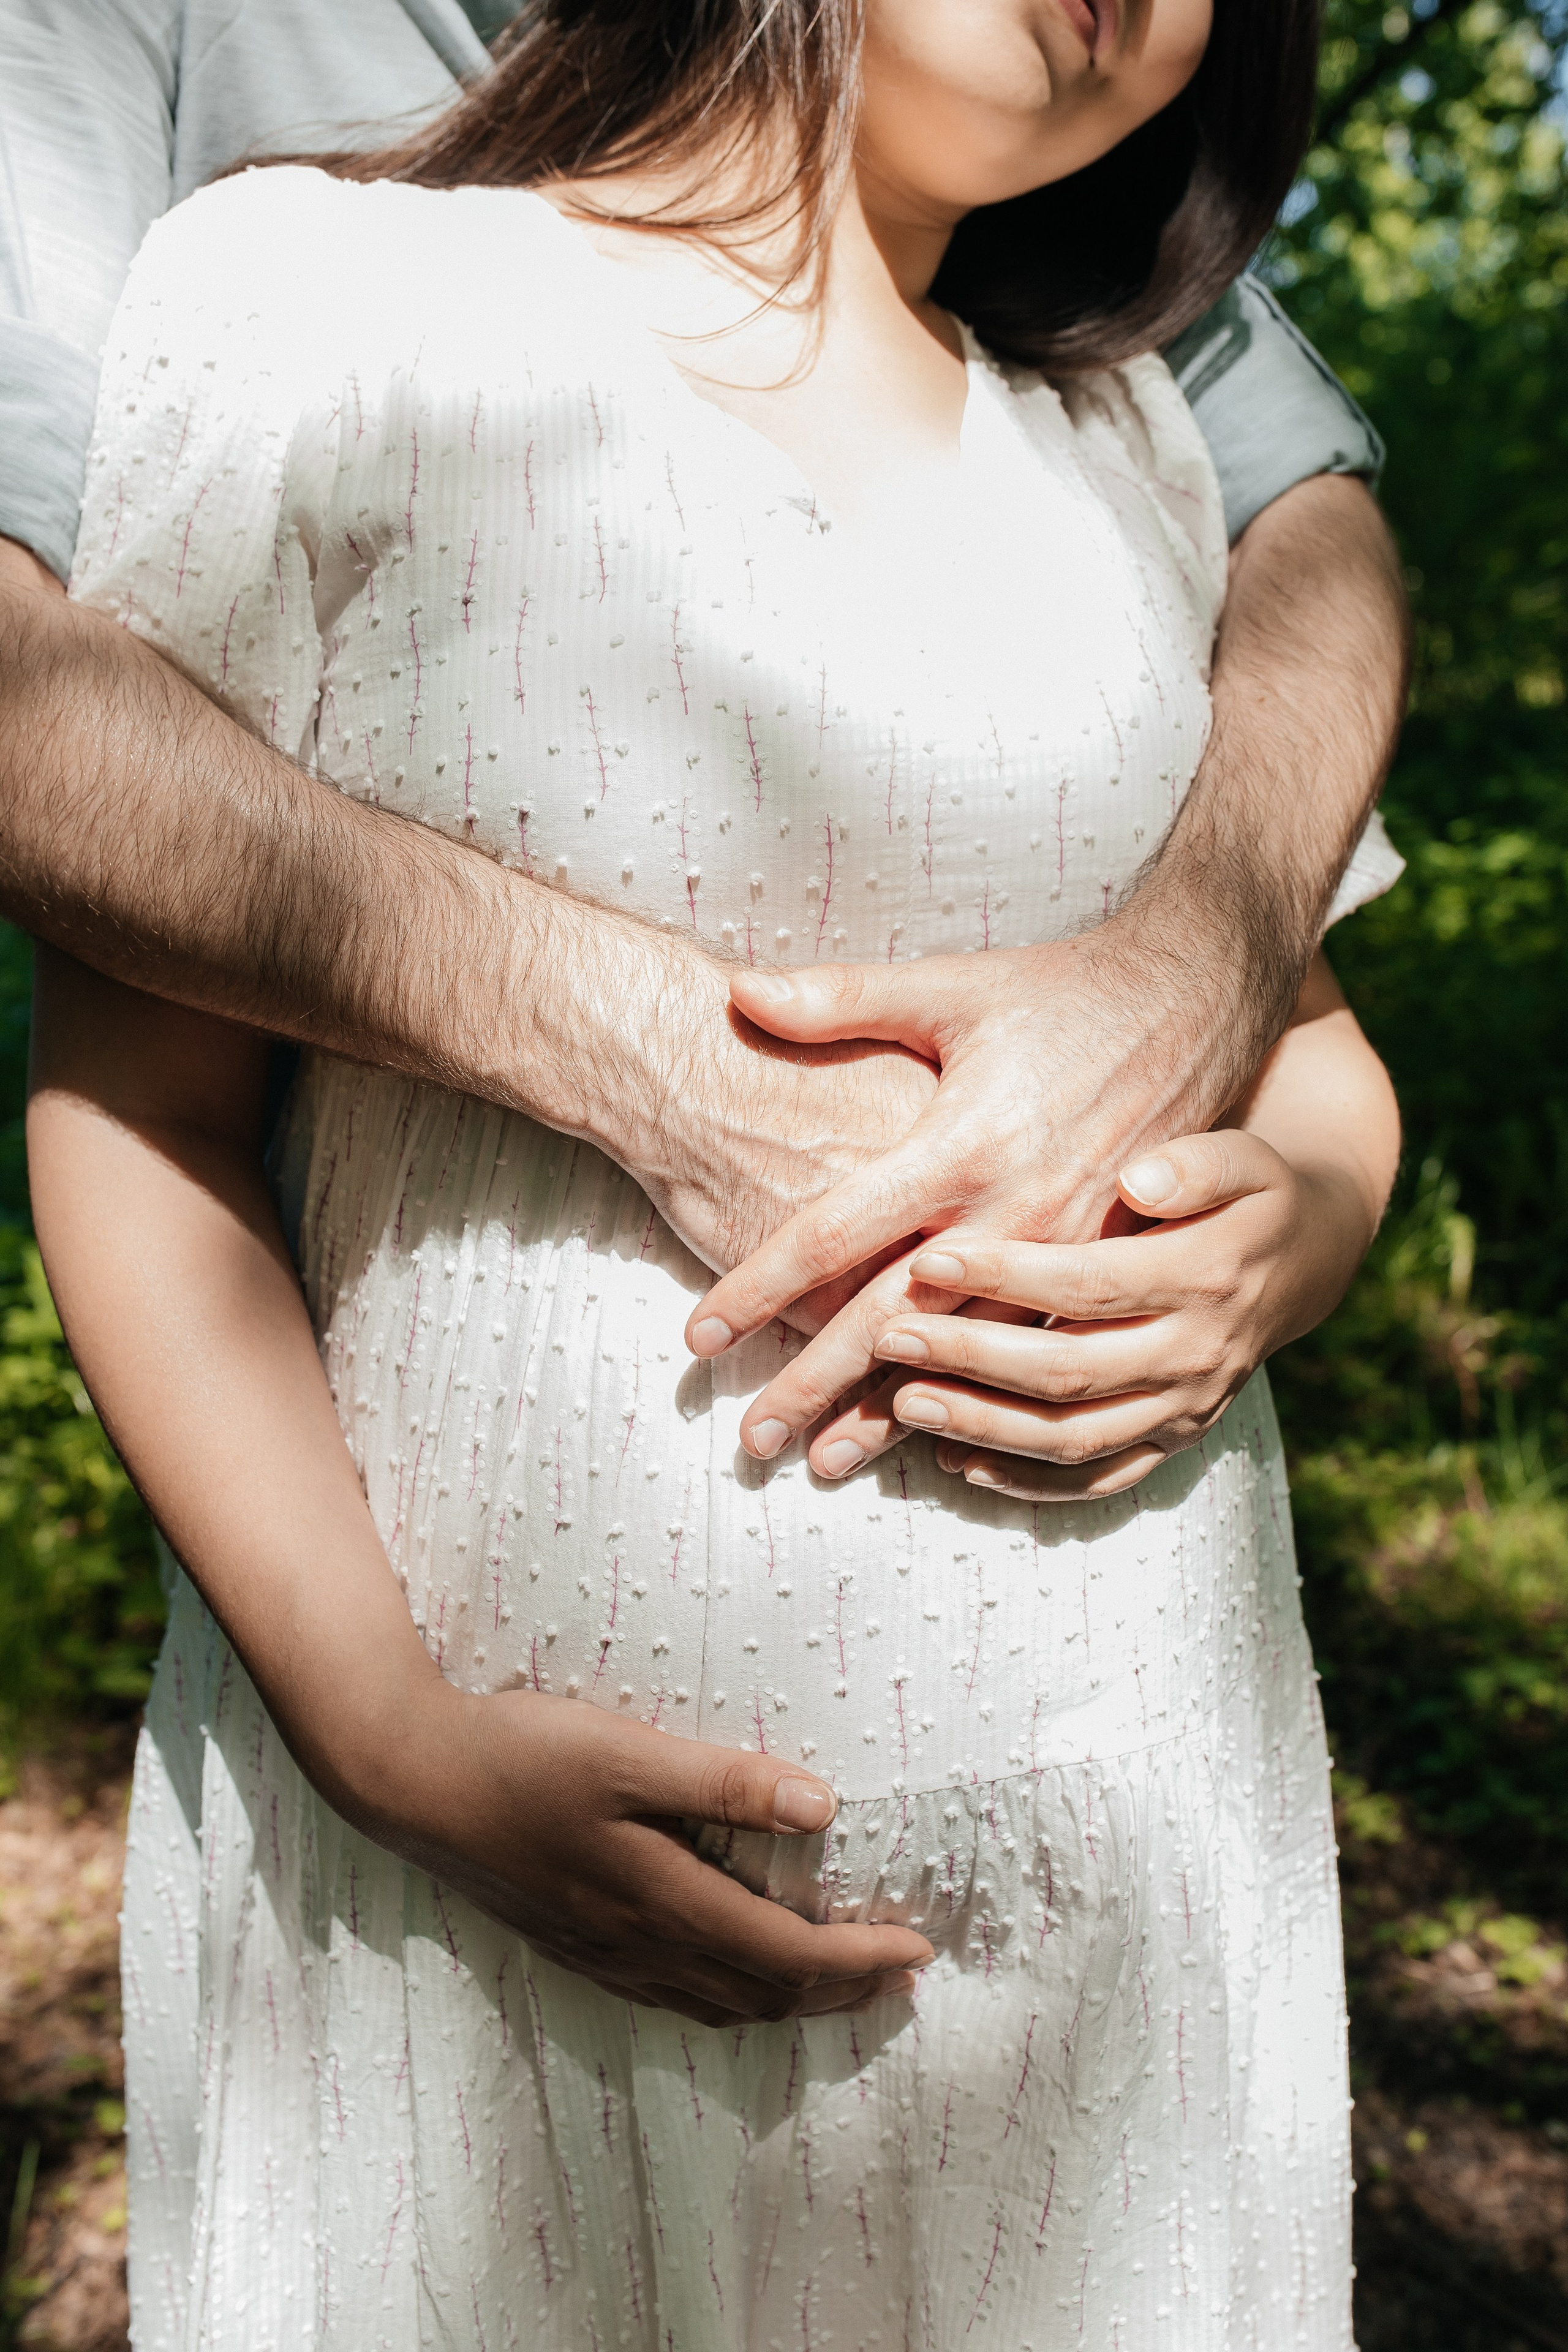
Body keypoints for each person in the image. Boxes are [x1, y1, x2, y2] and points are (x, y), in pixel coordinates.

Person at [24, 0, 1406, 2342]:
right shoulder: (319, 301)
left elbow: (1318, 1057)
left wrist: (1306, 1224)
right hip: (486, 1940)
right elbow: (142, 1110)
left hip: (1122, 1926)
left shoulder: (1135, 451)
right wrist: (385, 1733)